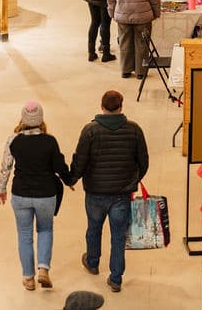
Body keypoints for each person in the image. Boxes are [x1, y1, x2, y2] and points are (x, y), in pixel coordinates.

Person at [70, 90, 149, 294]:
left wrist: (72, 178)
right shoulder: (134, 130)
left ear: (102, 106)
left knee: (94, 229)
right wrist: (133, 179)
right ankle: (115, 279)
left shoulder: (90, 131)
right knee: (118, 236)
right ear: (121, 106)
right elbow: (144, 161)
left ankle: (93, 262)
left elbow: (80, 160)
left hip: (95, 192)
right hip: (121, 195)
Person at [0, 101, 73, 291]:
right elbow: (59, 166)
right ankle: (43, 269)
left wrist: (2, 188)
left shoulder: (14, 140)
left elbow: (6, 166)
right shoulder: (49, 141)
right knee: (45, 229)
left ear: (23, 119)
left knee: (24, 235)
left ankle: (28, 278)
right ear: (41, 120)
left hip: (21, 194)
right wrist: (69, 180)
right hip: (46, 194)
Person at [106, 0, 161, 80]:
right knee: (142, 43)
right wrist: (155, 13)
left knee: (124, 43)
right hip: (143, 17)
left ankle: (125, 70)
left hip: (123, 17)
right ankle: (141, 71)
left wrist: (113, 13)